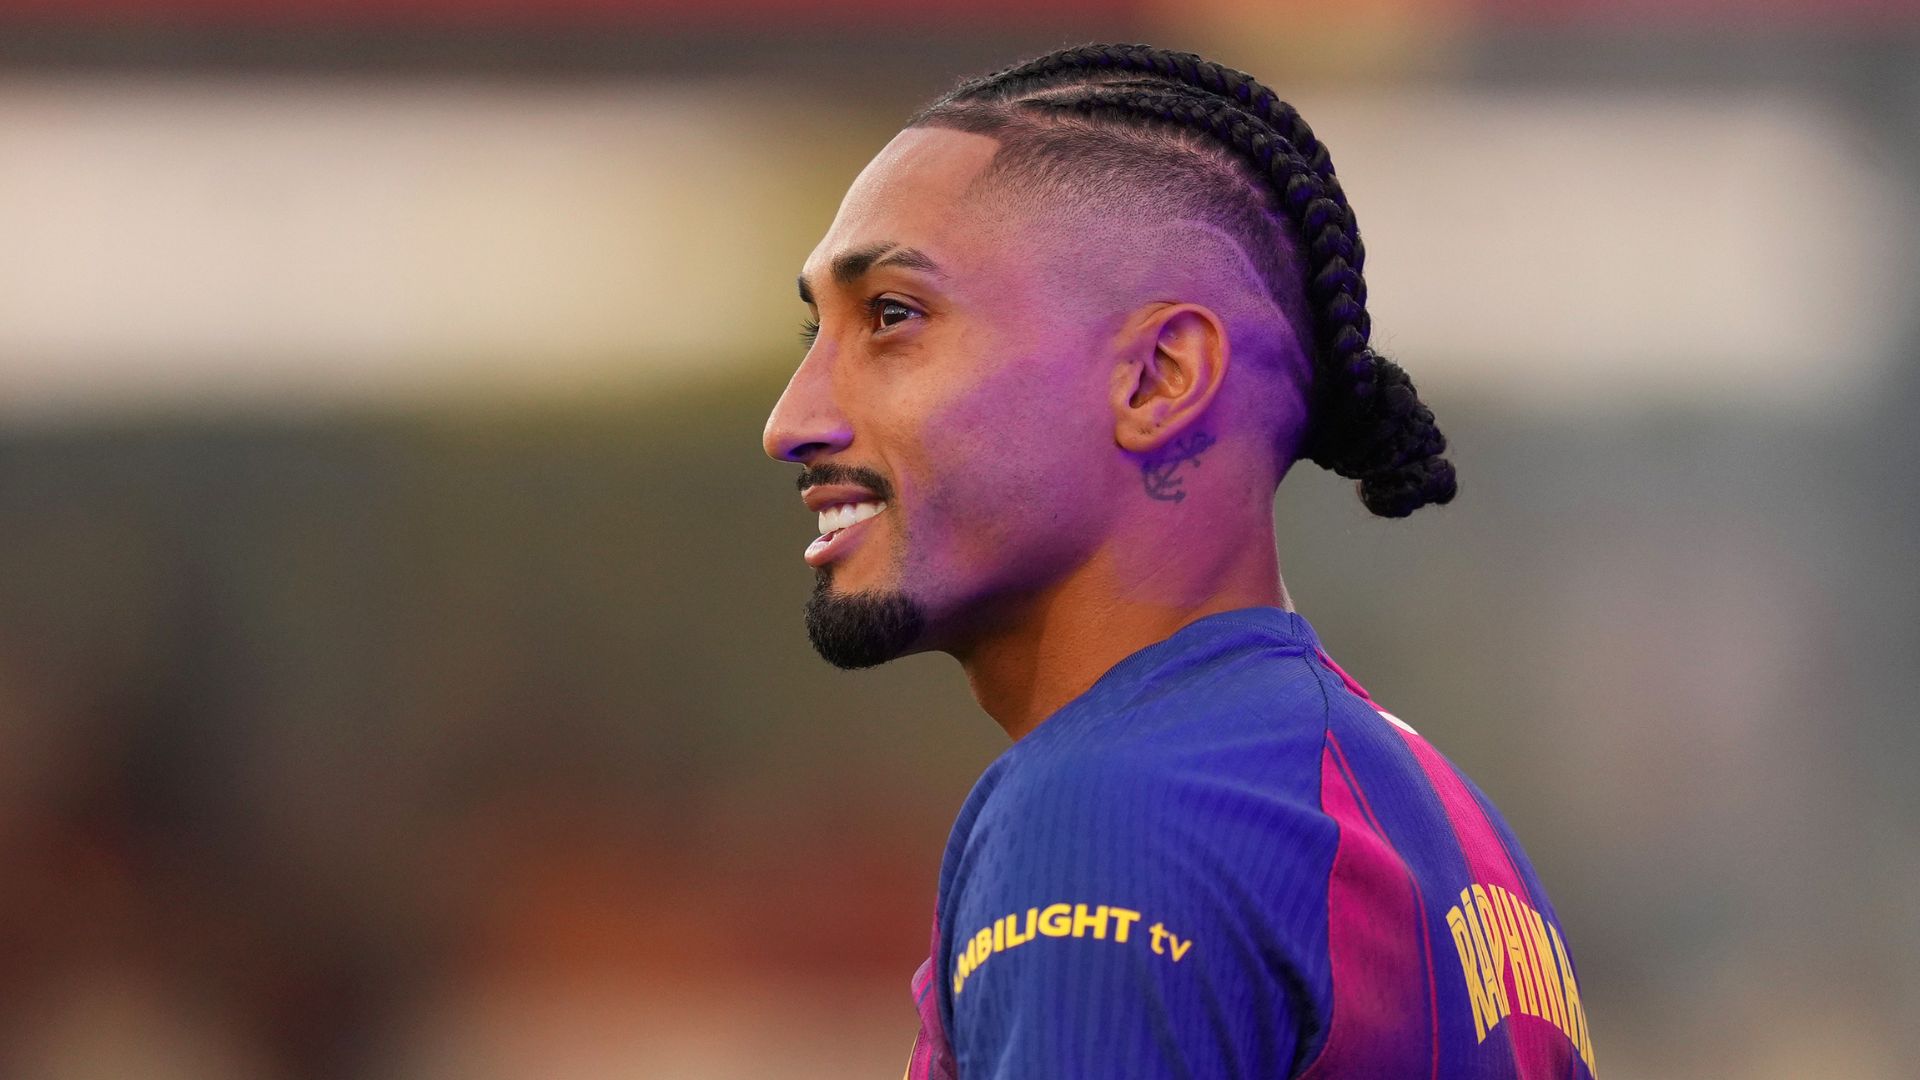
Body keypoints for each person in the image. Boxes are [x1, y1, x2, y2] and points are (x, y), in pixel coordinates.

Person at [762, 42, 1597, 1080]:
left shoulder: (1112, 812)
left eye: (891, 316)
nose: (792, 420)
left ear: (1158, 378)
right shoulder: (1446, 821)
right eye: (816, 330)